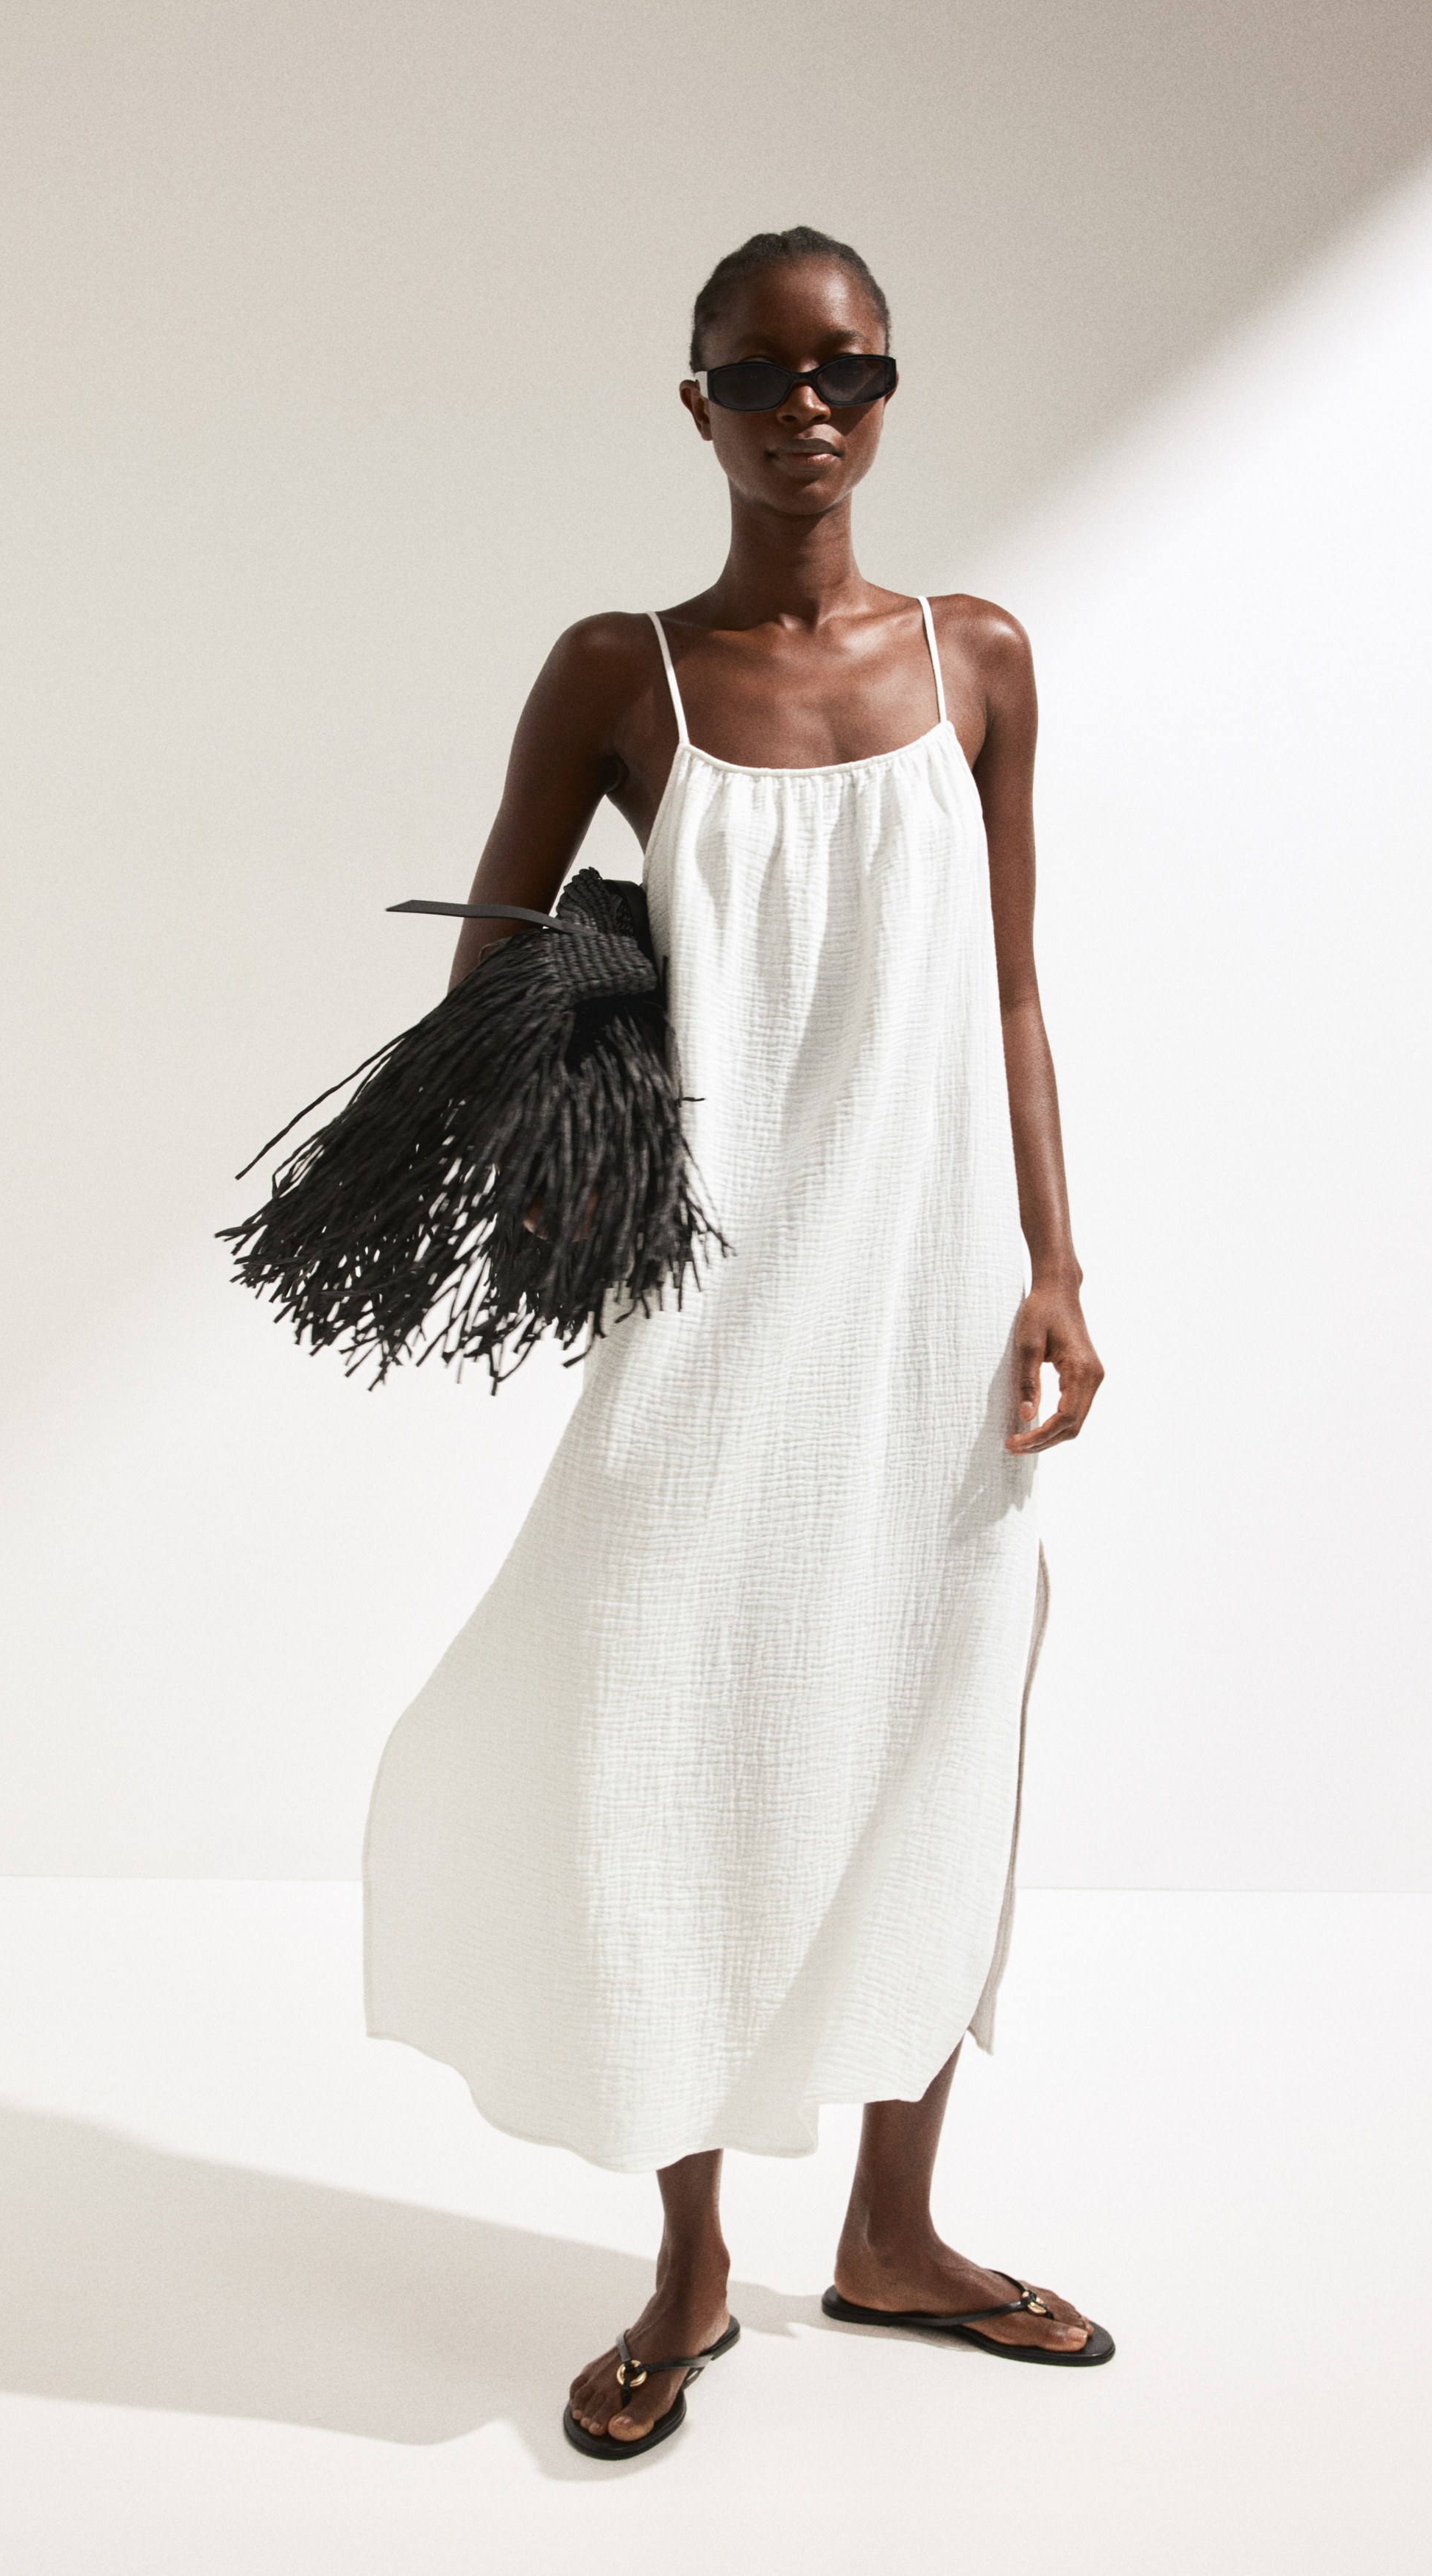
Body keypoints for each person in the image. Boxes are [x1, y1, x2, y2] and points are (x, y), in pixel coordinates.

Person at [362, 224, 1108, 2458]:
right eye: (763, 374)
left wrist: (1058, 1266)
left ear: (889, 392)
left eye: (848, 370)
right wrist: (578, 1096)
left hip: (931, 1308)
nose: (809, 409)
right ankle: (692, 2262)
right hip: (706, 1308)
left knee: (931, 1735)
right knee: (666, 1743)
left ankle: (895, 2231)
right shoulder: (627, 675)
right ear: (693, 402)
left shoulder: (979, 658)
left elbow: (1011, 989)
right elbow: (489, 970)